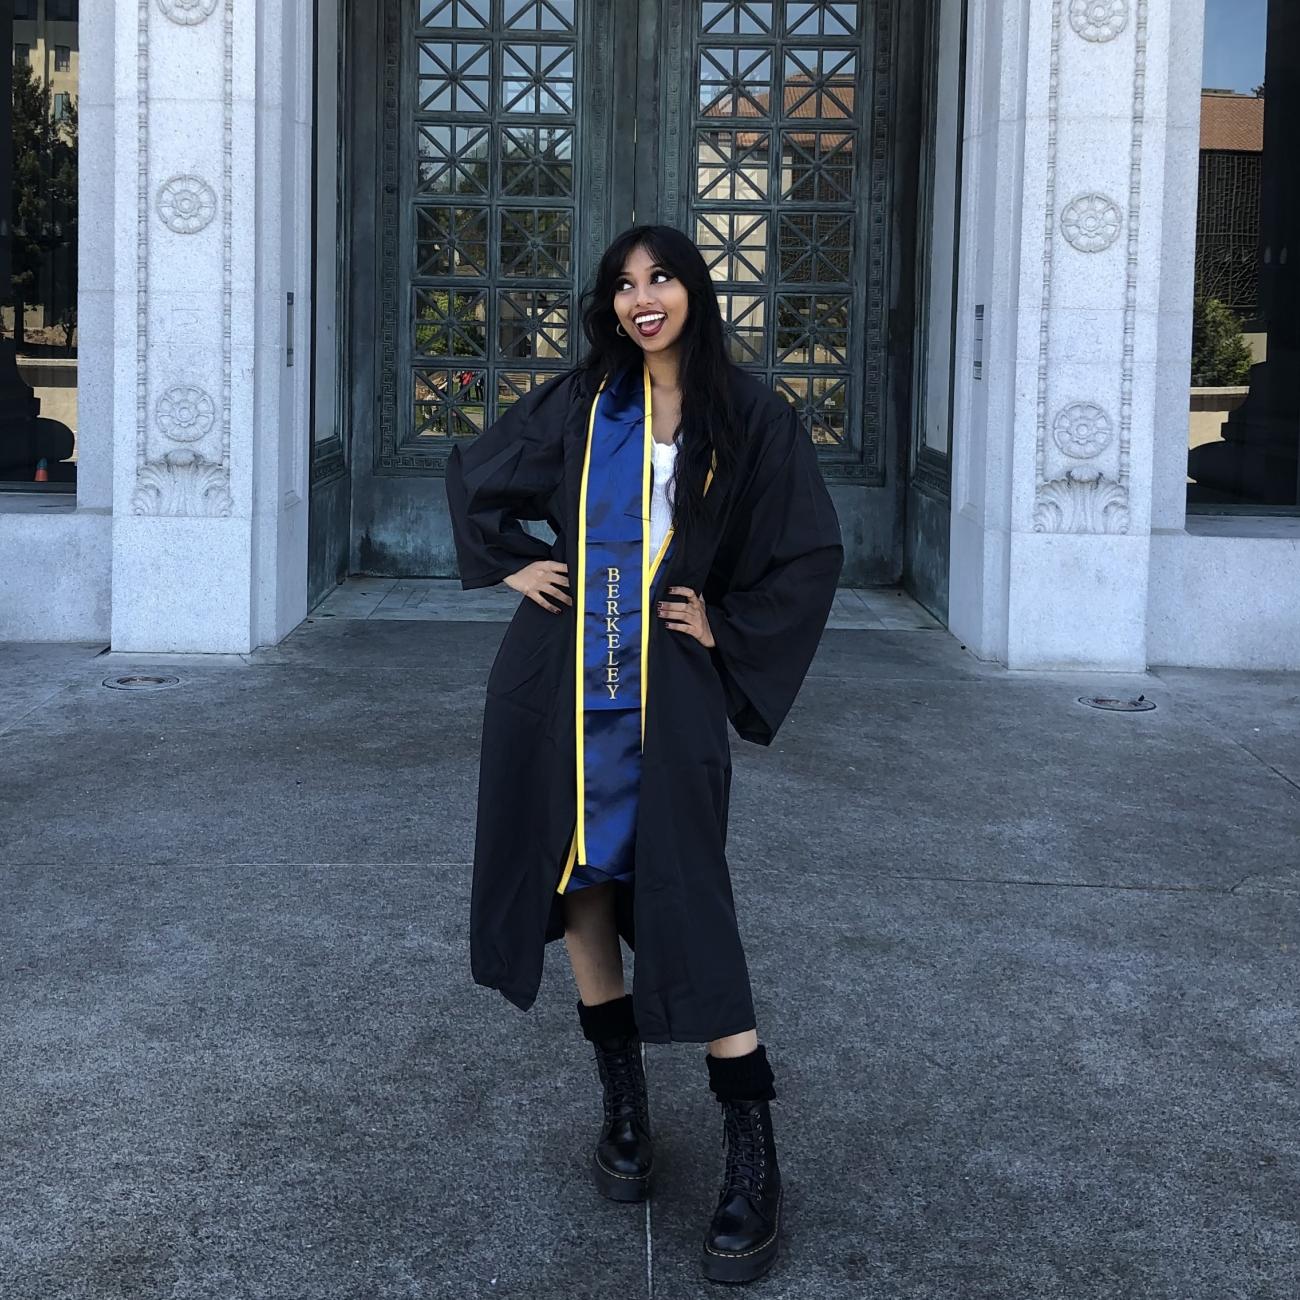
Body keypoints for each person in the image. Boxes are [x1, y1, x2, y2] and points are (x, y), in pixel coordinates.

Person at [445, 224, 842, 1285]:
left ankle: (750, 1147)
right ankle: (623, 1106)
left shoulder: (746, 414)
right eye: (623, 285)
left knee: (687, 892)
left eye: (659, 277)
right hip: (556, 683)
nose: (641, 298)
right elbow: (475, 472)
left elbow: (805, 549)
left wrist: (724, 624)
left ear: (693, 290)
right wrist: (514, 567)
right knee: (578, 882)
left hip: (665, 689)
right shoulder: (584, 400)